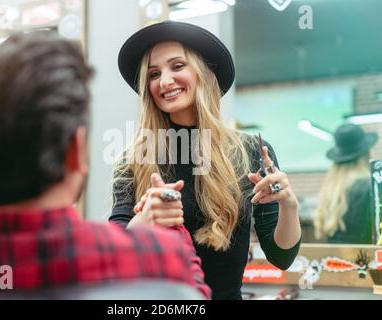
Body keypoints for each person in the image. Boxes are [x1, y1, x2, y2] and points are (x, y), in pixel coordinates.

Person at [0, 31, 210, 298]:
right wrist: (172, 229)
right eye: (154, 73)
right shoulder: (158, 261)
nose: (165, 81)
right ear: (76, 151)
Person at [109, 21, 301, 299]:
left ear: (203, 73)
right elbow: (116, 254)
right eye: (153, 73)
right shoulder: (134, 159)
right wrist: (143, 220)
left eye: (177, 66)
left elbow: (281, 257)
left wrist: (288, 204)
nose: (164, 81)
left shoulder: (249, 152)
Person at [314, 123, 379, 244]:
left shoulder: (331, 189)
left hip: (334, 260)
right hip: (365, 259)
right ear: (366, 154)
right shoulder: (370, 187)